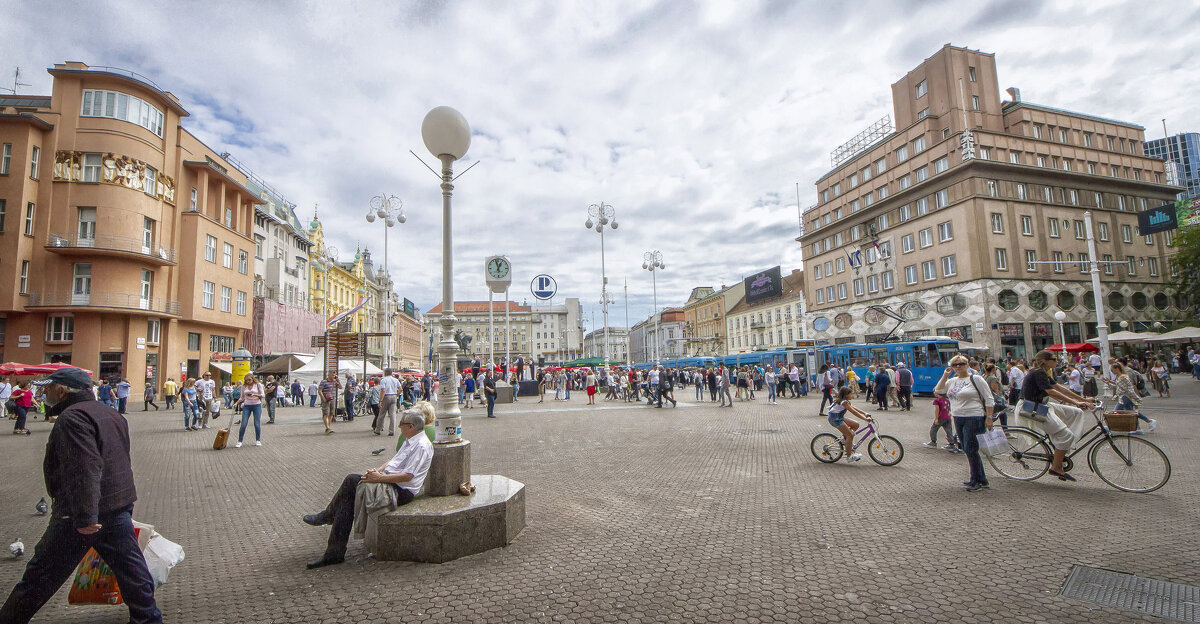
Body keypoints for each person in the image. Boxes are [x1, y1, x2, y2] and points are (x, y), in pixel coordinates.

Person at [1, 368, 161, 623]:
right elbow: (119, 461)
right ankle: (149, 619)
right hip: (115, 506)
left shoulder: (73, 418)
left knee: (39, 578)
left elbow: (85, 467)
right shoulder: (111, 414)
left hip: (80, 514)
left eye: (48, 388)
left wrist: (86, 516)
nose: (44, 393)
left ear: (62, 390)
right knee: (133, 573)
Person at [301, 409, 433, 569]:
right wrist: (378, 470)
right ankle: (334, 551)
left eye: (401, 424)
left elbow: (408, 476)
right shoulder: (410, 440)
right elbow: (393, 462)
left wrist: (379, 478)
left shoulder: (421, 445)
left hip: (400, 491)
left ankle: (329, 518)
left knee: (351, 481)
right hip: (389, 481)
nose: (399, 426)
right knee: (347, 500)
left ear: (411, 426)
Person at [1018, 350, 1094, 482]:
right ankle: (1056, 467)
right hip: (1032, 408)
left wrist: (1083, 400)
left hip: (1040, 405)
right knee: (1066, 435)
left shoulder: (1044, 373)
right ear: (1045, 361)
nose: (1057, 361)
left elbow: (1059, 388)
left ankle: (1061, 444)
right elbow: (1051, 392)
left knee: (1076, 412)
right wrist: (1077, 402)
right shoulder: (1038, 373)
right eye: (1054, 359)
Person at [934, 355, 994, 492]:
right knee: (967, 448)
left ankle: (976, 480)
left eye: (961, 364)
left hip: (974, 416)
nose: (958, 366)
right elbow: (938, 391)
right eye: (955, 365)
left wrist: (989, 417)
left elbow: (989, 398)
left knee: (971, 448)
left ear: (967, 365)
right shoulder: (952, 381)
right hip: (958, 417)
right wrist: (945, 376)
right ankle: (981, 478)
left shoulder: (976, 379)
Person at [1105, 362, 1156, 434]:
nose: (1112, 372)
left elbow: (1126, 388)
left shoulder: (1122, 377)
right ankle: (1141, 426)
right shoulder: (1121, 377)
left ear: (1117, 369)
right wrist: (1110, 383)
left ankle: (1109, 426)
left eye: (1112, 370)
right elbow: (1120, 387)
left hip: (1125, 396)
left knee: (1116, 411)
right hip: (1126, 396)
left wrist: (1135, 397)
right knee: (1132, 412)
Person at [826, 386, 870, 463]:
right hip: (835, 419)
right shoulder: (844, 402)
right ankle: (849, 457)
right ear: (846, 395)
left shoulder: (845, 401)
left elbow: (854, 408)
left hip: (839, 417)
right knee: (850, 435)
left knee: (856, 425)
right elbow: (853, 412)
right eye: (851, 394)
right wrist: (865, 419)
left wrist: (865, 413)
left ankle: (844, 440)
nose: (852, 395)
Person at [235, 374, 265, 448]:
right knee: (243, 423)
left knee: (256, 423)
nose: (248, 382)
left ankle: (258, 440)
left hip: (256, 405)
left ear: (253, 379)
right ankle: (240, 441)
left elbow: (262, 395)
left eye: (249, 380)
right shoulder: (243, 387)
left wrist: (255, 395)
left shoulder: (258, 385)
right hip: (247, 405)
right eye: (246, 380)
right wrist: (236, 403)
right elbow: (242, 397)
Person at [376, 370, 402, 435]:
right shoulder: (396, 380)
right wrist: (397, 395)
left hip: (386, 396)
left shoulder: (383, 380)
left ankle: (378, 429)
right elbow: (401, 389)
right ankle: (392, 430)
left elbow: (383, 390)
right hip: (393, 395)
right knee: (392, 414)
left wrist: (380, 401)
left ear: (385, 373)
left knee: (382, 414)